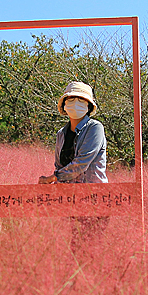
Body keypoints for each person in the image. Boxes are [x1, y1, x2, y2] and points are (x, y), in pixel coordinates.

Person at [39, 81, 108, 244]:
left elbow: (81, 163)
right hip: (72, 201)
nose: (75, 104)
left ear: (89, 107)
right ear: (64, 105)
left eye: (81, 101)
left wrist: (53, 178)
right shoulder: (61, 134)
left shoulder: (95, 128)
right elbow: (59, 165)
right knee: (76, 247)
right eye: (70, 100)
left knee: (89, 247)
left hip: (94, 201)